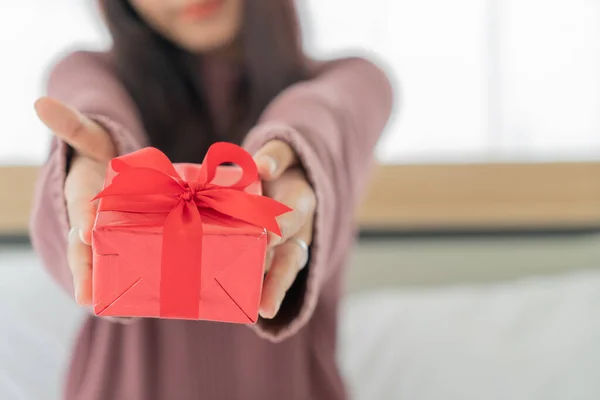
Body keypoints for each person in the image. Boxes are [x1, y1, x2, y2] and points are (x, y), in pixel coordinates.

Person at [30, 0, 393, 399]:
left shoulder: (356, 80)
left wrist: (291, 154)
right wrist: (92, 163)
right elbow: (91, 103)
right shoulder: (88, 74)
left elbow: (325, 113)